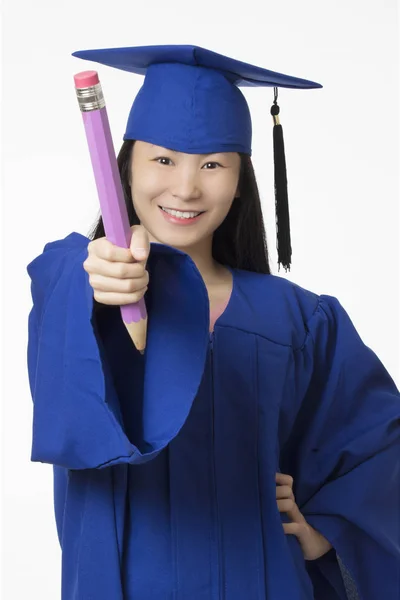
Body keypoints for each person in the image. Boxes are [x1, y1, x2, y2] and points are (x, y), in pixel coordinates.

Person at [26, 45, 400, 600]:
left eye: (212, 164)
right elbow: (67, 403)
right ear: (125, 164)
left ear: (242, 179)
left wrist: (330, 534)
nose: (185, 188)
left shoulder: (299, 319)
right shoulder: (79, 283)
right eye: (162, 159)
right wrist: (92, 286)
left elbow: (377, 448)